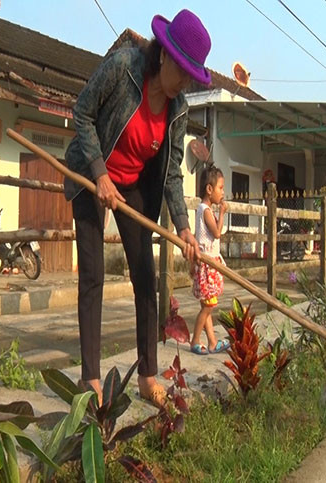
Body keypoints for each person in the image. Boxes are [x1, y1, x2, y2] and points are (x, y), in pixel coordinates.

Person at [63, 9, 212, 407]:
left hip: (132, 186)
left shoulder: (178, 109)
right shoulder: (124, 67)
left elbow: (173, 174)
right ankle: (90, 379)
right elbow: (83, 113)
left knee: (146, 278)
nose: (183, 82)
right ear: (163, 54)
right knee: (92, 276)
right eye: (181, 69)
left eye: (190, 76)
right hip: (89, 172)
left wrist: (182, 226)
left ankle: (148, 375)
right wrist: (99, 173)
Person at [190, 166, 230, 355]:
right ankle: (195, 340)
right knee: (209, 306)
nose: (223, 192)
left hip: (204, 263)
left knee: (207, 305)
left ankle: (212, 341)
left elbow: (200, 236)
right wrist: (222, 214)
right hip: (207, 265)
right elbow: (216, 233)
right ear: (209, 189)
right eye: (220, 188)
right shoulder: (206, 211)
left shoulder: (202, 210)